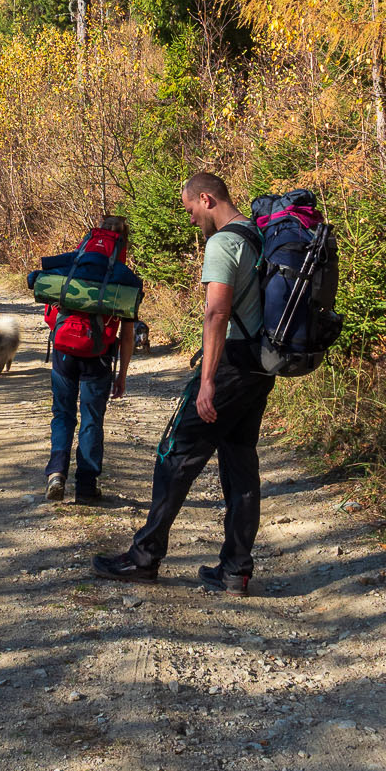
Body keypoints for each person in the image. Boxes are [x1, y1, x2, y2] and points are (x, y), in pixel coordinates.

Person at [93, 172, 273, 593]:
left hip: (228, 366)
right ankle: (235, 570)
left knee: (175, 455)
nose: (191, 219)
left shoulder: (223, 242)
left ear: (207, 199)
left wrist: (207, 380)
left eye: (191, 209)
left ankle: (143, 558)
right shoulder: (257, 236)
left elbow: (216, 313)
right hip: (260, 367)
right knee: (241, 464)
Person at [44, 214, 137, 505]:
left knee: (62, 414)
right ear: (122, 242)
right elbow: (129, 334)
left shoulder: (73, 263)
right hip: (97, 357)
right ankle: (86, 486)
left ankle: (57, 473)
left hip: (64, 353)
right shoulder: (125, 279)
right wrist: (121, 375)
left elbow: (49, 308)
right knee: (92, 420)